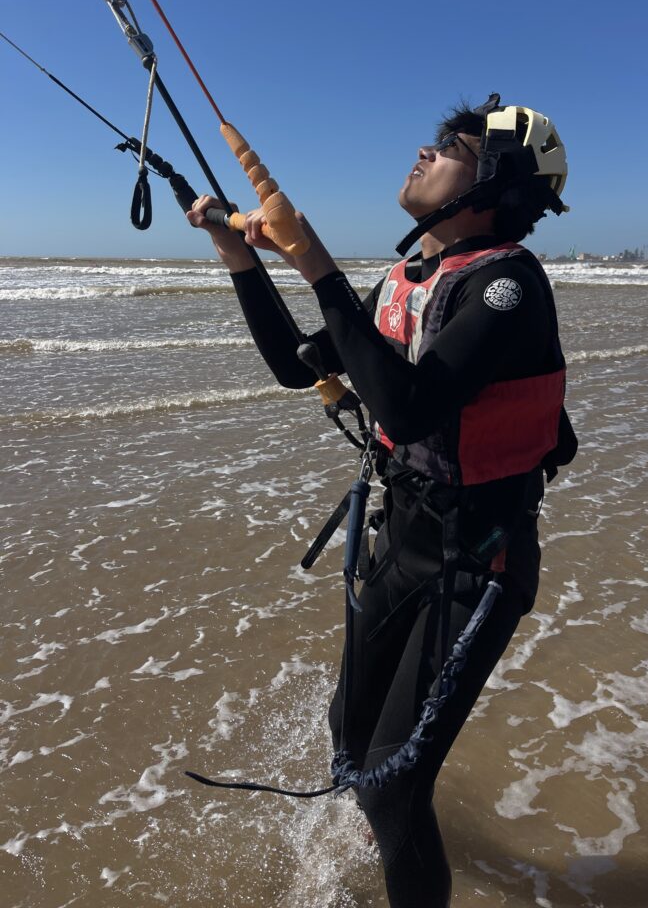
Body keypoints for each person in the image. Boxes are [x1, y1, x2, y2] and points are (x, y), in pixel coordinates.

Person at [187, 94, 576, 908]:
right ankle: (392, 843)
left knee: (395, 782)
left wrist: (316, 263)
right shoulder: (409, 279)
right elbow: (301, 364)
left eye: (452, 147)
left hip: (477, 563)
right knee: (351, 739)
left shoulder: (507, 285)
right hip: (401, 539)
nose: (425, 152)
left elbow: (405, 408)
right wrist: (241, 256)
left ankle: (398, 835)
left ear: (497, 181)